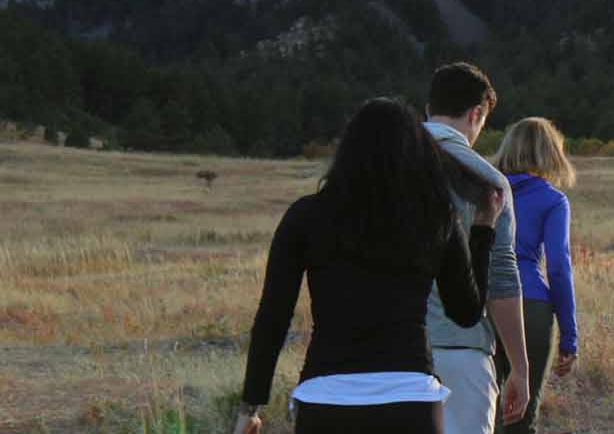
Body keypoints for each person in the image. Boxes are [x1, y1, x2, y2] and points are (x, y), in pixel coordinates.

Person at [235, 98, 503, 434]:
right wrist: (482, 231)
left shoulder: (306, 216)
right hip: (411, 401)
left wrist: (251, 405)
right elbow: (466, 312)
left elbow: (272, 320)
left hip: (326, 399)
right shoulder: (435, 218)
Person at [422, 62, 531, 433]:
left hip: (385, 353)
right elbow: (501, 282)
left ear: (428, 109)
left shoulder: (382, 168)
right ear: (476, 114)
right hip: (461, 352)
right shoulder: (488, 180)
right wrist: (519, 367)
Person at [492, 118, 581, 434]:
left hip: (481, 303)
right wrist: (569, 336)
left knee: (482, 414)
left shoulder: (483, 189)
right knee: (519, 419)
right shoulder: (553, 200)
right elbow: (558, 267)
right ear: (550, 152)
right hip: (529, 305)